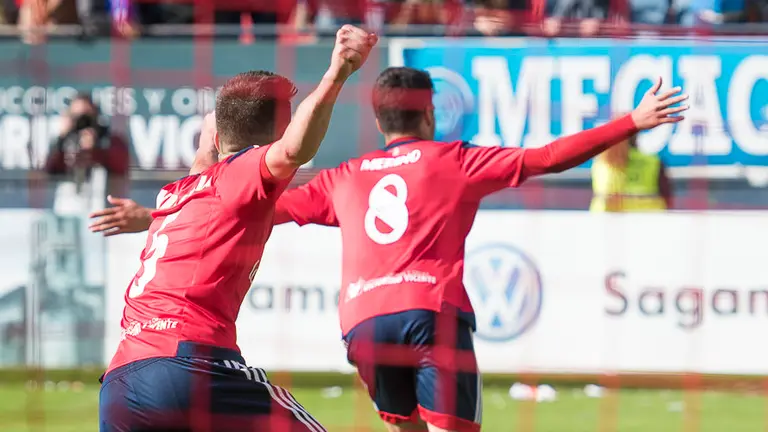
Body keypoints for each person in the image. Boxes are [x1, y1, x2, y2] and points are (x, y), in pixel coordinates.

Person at [90, 70, 688, 432]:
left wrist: (153, 215)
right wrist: (632, 120)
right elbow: (547, 157)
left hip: (363, 329)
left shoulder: (347, 175)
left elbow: (256, 208)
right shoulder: (455, 160)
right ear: (429, 112)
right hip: (430, 316)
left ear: (378, 121)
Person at [97, 25, 377, 432]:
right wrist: (338, 71)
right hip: (190, 368)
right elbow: (296, 149)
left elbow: (205, 151)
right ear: (273, 134)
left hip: (122, 384)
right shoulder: (242, 175)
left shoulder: (176, 193)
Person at [589, 126, 673, 212]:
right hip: (647, 216)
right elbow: (666, 194)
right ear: (636, 137)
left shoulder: (600, 162)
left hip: (607, 218)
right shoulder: (653, 160)